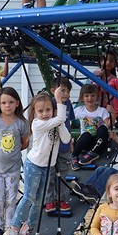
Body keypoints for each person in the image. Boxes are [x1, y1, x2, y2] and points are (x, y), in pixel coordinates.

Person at [3, 87, 71, 235]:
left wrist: (59, 122)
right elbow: (60, 117)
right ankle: (12, 228)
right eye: (41, 111)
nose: (45, 114)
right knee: (29, 197)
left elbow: (67, 139)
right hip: (34, 165)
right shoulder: (37, 124)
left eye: (48, 110)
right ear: (35, 113)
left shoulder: (55, 122)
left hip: (48, 167)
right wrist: (58, 99)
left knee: (40, 201)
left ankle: (28, 226)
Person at [0, 87, 29, 235]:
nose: (7, 105)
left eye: (10, 102)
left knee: (11, 199)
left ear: (17, 103)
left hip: (13, 169)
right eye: (3, 103)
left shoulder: (21, 123)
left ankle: (10, 229)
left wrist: (11, 153)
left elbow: (24, 143)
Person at [45, 77, 74, 213]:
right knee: (50, 175)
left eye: (68, 91)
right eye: (62, 90)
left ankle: (60, 199)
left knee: (62, 175)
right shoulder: (49, 104)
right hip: (51, 147)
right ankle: (49, 200)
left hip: (64, 145)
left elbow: (70, 126)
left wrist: (71, 142)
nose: (66, 94)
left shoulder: (68, 105)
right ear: (53, 91)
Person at [71, 84, 111, 170]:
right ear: (82, 97)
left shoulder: (102, 111)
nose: (90, 98)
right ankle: (74, 156)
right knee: (85, 135)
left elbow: (109, 124)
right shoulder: (79, 110)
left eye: (93, 95)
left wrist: (113, 113)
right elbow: (66, 119)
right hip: (87, 141)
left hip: (98, 141)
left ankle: (92, 153)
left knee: (103, 129)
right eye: (87, 96)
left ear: (97, 97)